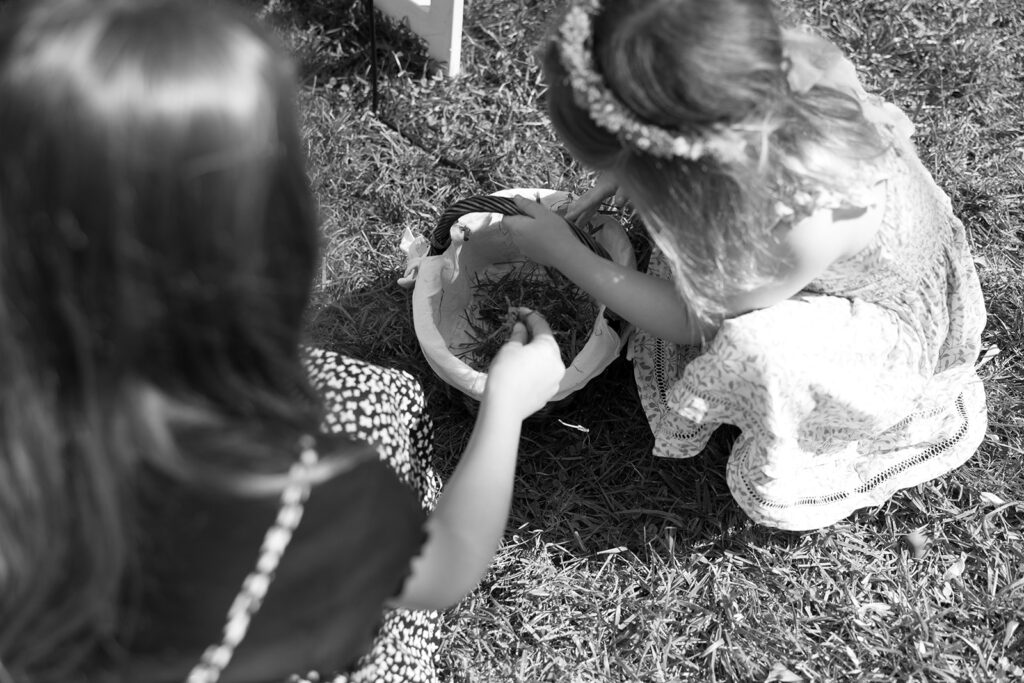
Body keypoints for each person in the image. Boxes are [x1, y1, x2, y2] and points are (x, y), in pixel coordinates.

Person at [0, 0, 565, 682]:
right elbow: (446, 566)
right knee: (386, 409)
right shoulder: (295, 492)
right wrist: (505, 403)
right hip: (273, 632)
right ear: (265, 253)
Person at [502, 0, 987, 531]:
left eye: (623, 166)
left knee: (756, 346)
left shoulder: (797, 222)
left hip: (873, 315)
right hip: (825, 228)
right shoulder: (766, 82)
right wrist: (623, 173)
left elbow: (693, 318)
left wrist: (568, 256)